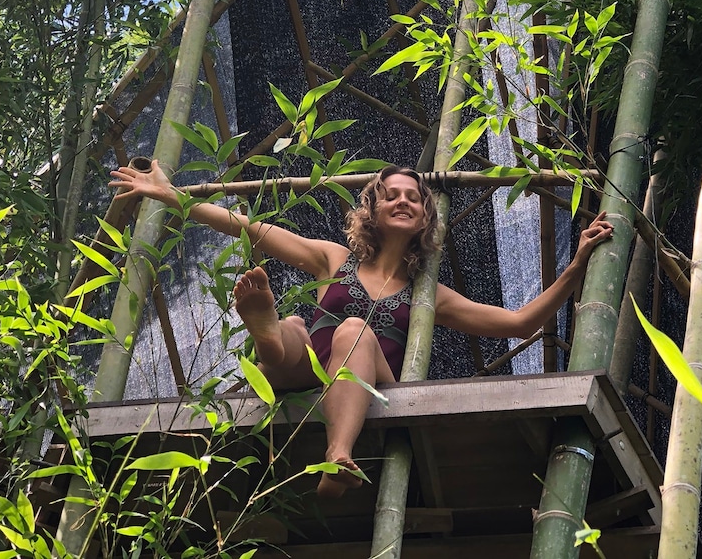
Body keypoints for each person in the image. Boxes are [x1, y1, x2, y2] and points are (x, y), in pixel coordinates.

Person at [109, 161, 613, 499]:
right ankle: (265, 333)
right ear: (370, 209)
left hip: (374, 385)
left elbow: (519, 322)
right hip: (302, 369)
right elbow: (247, 226)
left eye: (412, 198)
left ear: (423, 218)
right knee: (290, 328)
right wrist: (170, 194)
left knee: (351, 330)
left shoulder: (426, 295)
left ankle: (339, 452)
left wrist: (576, 264)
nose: (402, 201)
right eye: (389, 195)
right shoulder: (334, 258)